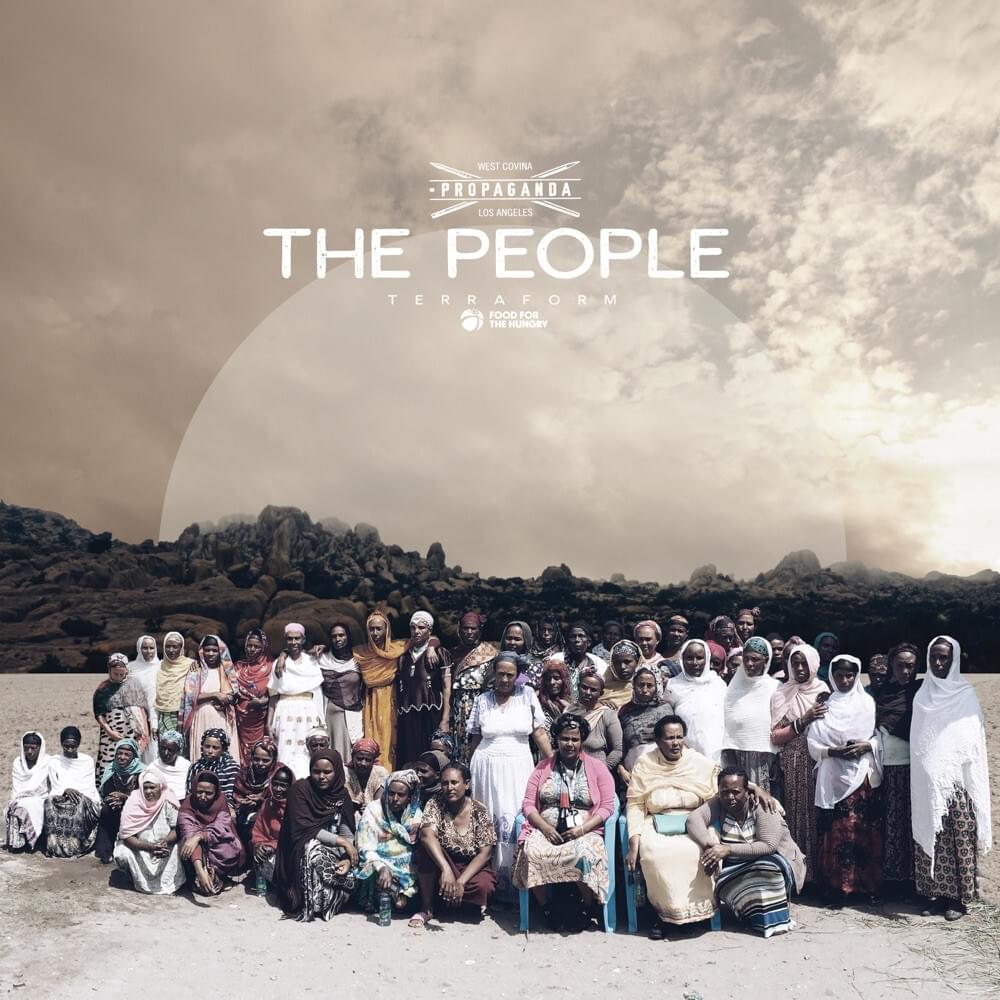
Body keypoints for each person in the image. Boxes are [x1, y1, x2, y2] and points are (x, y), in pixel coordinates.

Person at [910, 635, 991, 921]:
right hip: (926, 781)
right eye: (933, 656)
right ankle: (936, 895)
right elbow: (919, 739)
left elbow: (971, 739)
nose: (938, 662)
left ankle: (958, 899)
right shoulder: (923, 694)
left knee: (958, 836)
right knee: (932, 834)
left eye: (944, 657)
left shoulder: (964, 694)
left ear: (954, 658)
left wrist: (950, 766)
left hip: (956, 782)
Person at [513, 713, 617, 932]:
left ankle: (587, 906)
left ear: (582, 740)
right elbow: (528, 805)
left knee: (583, 854)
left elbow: (607, 806)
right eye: (564, 739)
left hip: (585, 830)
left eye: (575, 739)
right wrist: (544, 827)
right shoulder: (542, 768)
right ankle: (547, 908)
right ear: (556, 740)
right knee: (531, 852)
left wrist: (582, 829)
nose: (570, 744)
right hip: (547, 830)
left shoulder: (597, 768)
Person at [467, 652, 553, 898]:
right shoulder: (482, 700)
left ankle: (517, 887)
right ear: (493, 674)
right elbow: (475, 737)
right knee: (489, 819)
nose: (504, 679)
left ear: (517, 676)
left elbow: (539, 734)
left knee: (515, 818)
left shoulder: (527, 696)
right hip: (486, 766)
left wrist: (552, 766)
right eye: (500, 674)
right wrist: (467, 775)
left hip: (518, 765)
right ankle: (492, 887)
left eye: (510, 675)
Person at [625, 715, 720, 936]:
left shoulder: (696, 761)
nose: (675, 743)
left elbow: (724, 781)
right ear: (658, 741)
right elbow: (636, 804)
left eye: (679, 737)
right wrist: (633, 843)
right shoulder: (645, 763)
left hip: (695, 820)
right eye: (669, 738)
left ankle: (698, 913)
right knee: (655, 853)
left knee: (700, 850)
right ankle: (662, 916)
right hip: (656, 821)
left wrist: (755, 788)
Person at [687, 768, 805, 937]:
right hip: (736, 866)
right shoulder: (719, 803)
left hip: (774, 860)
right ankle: (751, 913)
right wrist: (709, 845)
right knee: (726, 879)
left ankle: (772, 919)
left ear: (747, 791)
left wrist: (728, 849)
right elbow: (694, 819)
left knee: (766, 869)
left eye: (736, 792)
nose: (730, 797)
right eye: (724, 792)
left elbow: (768, 845)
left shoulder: (763, 804)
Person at [807, 654, 883, 906]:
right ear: (831, 675)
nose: (845, 680)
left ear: (857, 675)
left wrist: (866, 746)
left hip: (859, 776)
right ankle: (838, 888)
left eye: (850, 675)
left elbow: (876, 737)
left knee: (860, 830)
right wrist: (832, 751)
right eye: (839, 675)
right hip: (832, 776)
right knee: (836, 832)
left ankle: (864, 886)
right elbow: (813, 743)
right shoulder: (825, 705)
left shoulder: (867, 703)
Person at [274, 749, 358, 920]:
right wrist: (342, 842)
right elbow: (304, 828)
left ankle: (332, 896)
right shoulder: (300, 791)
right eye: (316, 771)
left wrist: (346, 858)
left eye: (327, 772)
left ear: (337, 772)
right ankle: (312, 901)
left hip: (334, 854)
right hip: (300, 853)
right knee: (311, 846)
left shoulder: (342, 795)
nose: (321, 777)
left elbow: (346, 831)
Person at [769, 643, 828, 883]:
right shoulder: (782, 692)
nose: (800, 668)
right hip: (792, 762)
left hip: (820, 761)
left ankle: (819, 876)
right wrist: (803, 721)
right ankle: (798, 874)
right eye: (795, 663)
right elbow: (775, 735)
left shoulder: (823, 690)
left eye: (805, 663)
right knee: (795, 816)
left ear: (814, 664)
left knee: (818, 815)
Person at [413, 762, 497, 927]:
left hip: (469, 865)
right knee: (425, 851)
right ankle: (427, 907)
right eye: (444, 783)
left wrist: (460, 882)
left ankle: (455, 899)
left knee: (483, 886)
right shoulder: (435, 803)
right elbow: (427, 835)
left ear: (466, 784)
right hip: (443, 862)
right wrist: (446, 869)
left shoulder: (479, 810)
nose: (449, 788)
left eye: (454, 782)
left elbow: (485, 852)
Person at [875, 642, 921, 895]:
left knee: (913, 823)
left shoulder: (921, 692)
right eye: (900, 665)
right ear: (891, 665)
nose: (906, 671)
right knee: (891, 823)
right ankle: (894, 880)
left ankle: (915, 881)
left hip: (915, 767)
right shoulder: (884, 694)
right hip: (889, 767)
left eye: (910, 666)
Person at [353, 769, 423, 915]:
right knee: (375, 876)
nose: (395, 798)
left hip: (406, 865)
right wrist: (382, 867)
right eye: (391, 793)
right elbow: (364, 846)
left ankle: (402, 895)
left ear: (409, 797)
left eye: (401, 795)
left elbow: (417, 847)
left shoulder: (415, 814)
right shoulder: (374, 810)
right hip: (378, 861)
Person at [112, 768, 185, 895]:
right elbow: (127, 836)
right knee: (122, 852)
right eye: (145, 788)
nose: (148, 791)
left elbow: (177, 828)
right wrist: (150, 847)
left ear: (160, 787)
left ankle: (171, 883)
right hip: (140, 848)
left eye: (152, 787)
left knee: (180, 847)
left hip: (165, 846)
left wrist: (165, 842)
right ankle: (134, 878)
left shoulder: (168, 799)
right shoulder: (134, 801)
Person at [722, 637, 780, 794]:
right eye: (746, 659)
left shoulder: (774, 687)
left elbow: (779, 723)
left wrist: (777, 759)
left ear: (766, 661)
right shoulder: (734, 686)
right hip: (734, 754)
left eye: (755, 659)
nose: (749, 664)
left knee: (762, 802)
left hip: (764, 758)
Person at [268, 623, 325, 777]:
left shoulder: (312, 661)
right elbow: (274, 694)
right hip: (285, 713)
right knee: (284, 752)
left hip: (308, 714)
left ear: (303, 639)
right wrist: (269, 722)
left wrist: (320, 718)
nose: (294, 642)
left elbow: (317, 693)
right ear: (285, 640)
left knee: (307, 752)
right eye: (290, 639)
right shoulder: (279, 664)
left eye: (297, 638)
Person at [354, 611, 409, 770]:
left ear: (387, 629)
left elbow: (425, 639)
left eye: (379, 629)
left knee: (392, 739)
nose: (375, 633)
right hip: (371, 701)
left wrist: (433, 644)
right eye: (371, 629)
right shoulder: (360, 653)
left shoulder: (398, 649)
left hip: (392, 700)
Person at [396, 611, 452, 766]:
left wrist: (445, 719)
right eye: (413, 628)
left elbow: (447, 688)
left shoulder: (440, 653)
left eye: (421, 627)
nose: (417, 631)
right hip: (407, 714)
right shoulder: (403, 656)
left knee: (431, 759)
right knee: (408, 758)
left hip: (431, 712)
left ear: (430, 630)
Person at [177, 771, 246, 895]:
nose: (203, 796)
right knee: (187, 847)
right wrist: (200, 871)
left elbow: (221, 826)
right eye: (199, 792)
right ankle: (200, 876)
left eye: (209, 793)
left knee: (228, 849)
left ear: (216, 793)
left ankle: (219, 875)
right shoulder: (187, 806)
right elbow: (189, 835)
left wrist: (200, 836)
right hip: (197, 853)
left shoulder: (221, 800)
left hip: (216, 841)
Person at [180, 635, 241, 766]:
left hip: (222, 718)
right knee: (203, 754)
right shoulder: (196, 671)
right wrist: (215, 695)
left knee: (223, 753)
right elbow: (189, 697)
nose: (211, 654)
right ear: (202, 651)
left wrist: (227, 699)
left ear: (221, 652)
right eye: (207, 650)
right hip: (201, 717)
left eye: (214, 650)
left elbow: (235, 695)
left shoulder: (227, 671)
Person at [93, 652, 150, 788]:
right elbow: (99, 713)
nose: (118, 677)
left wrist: (142, 733)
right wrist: (109, 732)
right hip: (110, 734)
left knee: (129, 761)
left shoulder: (134, 684)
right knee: (107, 763)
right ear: (109, 671)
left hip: (130, 732)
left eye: (121, 674)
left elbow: (142, 710)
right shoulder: (103, 688)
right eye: (115, 674)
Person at [43, 727, 102, 858]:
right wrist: (65, 790)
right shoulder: (54, 761)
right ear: (61, 744)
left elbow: (89, 786)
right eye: (66, 746)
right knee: (49, 802)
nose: (69, 750)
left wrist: (76, 792)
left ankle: (74, 848)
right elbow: (55, 785)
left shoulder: (86, 761)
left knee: (78, 803)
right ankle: (54, 847)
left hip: (84, 796)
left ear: (78, 744)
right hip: (61, 796)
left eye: (73, 746)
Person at [311, 622, 364, 765]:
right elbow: (297, 655)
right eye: (334, 636)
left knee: (350, 754)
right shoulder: (322, 658)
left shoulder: (358, 660)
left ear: (348, 637)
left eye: (341, 635)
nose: (338, 639)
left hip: (353, 714)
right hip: (331, 715)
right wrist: (284, 654)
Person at [667, 639, 727, 763]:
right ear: (682, 659)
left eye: (699, 658)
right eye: (689, 658)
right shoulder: (673, 685)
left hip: (715, 750)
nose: (694, 663)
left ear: (707, 659)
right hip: (685, 752)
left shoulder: (718, 684)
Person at [449, 612, 498, 763]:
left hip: (481, 703)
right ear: (459, 629)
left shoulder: (490, 653)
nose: (469, 632)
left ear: (480, 630)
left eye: (473, 628)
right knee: (459, 742)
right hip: (458, 706)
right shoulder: (452, 653)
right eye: (466, 628)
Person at [618, 666, 675, 783]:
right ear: (634, 686)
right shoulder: (625, 711)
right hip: (633, 772)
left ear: (657, 685)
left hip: (663, 770)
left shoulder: (665, 708)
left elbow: (674, 741)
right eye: (641, 685)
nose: (644, 690)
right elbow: (619, 746)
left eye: (649, 686)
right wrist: (621, 768)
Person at [95, 737, 144, 863]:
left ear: (134, 756)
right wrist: (114, 800)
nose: (122, 757)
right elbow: (106, 793)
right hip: (114, 808)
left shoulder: (143, 772)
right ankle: (105, 850)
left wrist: (125, 799)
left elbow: (145, 797)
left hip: (136, 810)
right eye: (119, 753)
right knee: (106, 809)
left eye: (127, 754)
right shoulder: (110, 770)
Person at [232, 627, 274, 764]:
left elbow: (277, 694)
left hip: (262, 722)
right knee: (240, 753)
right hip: (240, 722)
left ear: (263, 647)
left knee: (261, 754)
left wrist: (263, 703)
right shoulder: (238, 667)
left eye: (256, 646)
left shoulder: (271, 667)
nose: (252, 649)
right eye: (249, 645)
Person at [569, 671, 623, 775]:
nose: (588, 692)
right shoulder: (569, 711)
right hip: (569, 773)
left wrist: (601, 771)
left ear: (601, 693)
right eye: (584, 687)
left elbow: (618, 750)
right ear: (578, 687)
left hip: (596, 774)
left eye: (593, 690)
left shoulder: (607, 714)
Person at [249, 765, 293, 891]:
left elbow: (296, 836)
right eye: (275, 784)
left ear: (291, 786)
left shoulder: (296, 806)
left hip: (289, 852)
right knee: (259, 855)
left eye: (283, 785)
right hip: (269, 850)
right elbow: (258, 831)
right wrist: (257, 845)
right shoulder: (268, 804)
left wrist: (274, 846)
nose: (278, 789)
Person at [5, 732, 50, 852]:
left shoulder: (47, 762)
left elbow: (48, 787)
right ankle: (18, 844)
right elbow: (17, 788)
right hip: (20, 798)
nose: (29, 752)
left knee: (30, 805)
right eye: (26, 748)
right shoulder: (17, 762)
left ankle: (35, 843)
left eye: (33, 748)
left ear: (40, 748)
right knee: (18, 806)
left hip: (41, 798)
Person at [232, 737, 281, 847]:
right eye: (256, 759)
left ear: (273, 760)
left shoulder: (280, 774)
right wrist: (244, 803)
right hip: (245, 813)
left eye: (265, 760)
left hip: (273, 814)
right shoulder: (244, 774)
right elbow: (237, 796)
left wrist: (262, 801)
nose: (260, 763)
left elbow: (284, 802)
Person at [155, 631, 194, 743]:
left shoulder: (191, 665)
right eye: (168, 646)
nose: (171, 650)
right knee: (166, 747)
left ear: (181, 648)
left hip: (184, 714)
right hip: (164, 715)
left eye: (175, 647)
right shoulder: (159, 666)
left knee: (183, 748)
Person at [127, 636, 161, 763]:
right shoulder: (131, 668)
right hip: (136, 715)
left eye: (151, 648)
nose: (148, 651)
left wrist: (153, 719)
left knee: (154, 751)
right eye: (145, 648)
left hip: (156, 715)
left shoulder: (161, 667)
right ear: (139, 649)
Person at [185, 729, 240, 805]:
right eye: (207, 746)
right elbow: (190, 792)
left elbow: (230, 796)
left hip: (222, 807)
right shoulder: (195, 767)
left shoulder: (231, 767)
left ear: (223, 749)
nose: (210, 751)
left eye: (215, 748)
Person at [551, 621, 606, 696]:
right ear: (568, 641)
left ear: (589, 642)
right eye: (573, 636)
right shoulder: (557, 660)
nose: (577, 640)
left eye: (581, 636)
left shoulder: (599, 664)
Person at [345, 737, 388, 818]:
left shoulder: (381, 773)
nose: (363, 763)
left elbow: (378, 804)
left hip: (375, 816)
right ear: (352, 757)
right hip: (350, 814)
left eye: (368, 760)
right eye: (359, 758)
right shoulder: (346, 772)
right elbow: (349, 801)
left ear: (374, 760)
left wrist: (369, 809)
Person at [144, 728, 190, 800]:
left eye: (170, 750)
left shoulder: (186, 766)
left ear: (178, 751)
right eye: (162, 748)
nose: (165, 753)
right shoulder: (152, 768)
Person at [499, 619, 542, 688]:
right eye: (509, 638)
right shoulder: (497, 662)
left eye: (517, 639)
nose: (512, 642)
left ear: (526, 641)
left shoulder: (534, 665)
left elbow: (515, 687)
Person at [602, 639, 642, 710]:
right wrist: (599, 704)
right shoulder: (601, 687)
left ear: (638, 661)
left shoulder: (645, 687)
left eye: (627, 662)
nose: (622, 667)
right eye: (617, 663)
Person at [537, 659, 573, 730]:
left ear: (564, 680)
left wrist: (570, 709)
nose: (552, 682)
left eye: (556, 678)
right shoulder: (538, 702)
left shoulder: (572, 702)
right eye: (548, 679)